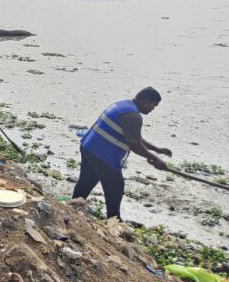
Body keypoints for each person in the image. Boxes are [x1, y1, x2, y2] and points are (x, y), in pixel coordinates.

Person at [72, 87, 171, 220]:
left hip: (89, 146)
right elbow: (134, 144)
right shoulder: (133, 116)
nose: (153, 109)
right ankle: (114, 219)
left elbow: (134, 137)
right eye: (154, 105)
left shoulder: (123, 105)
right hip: (104, 155)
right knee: (116, 188)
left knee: (87, 180)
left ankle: (73, 206)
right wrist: (155, 159)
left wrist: (156, 150)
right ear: (146, 102)